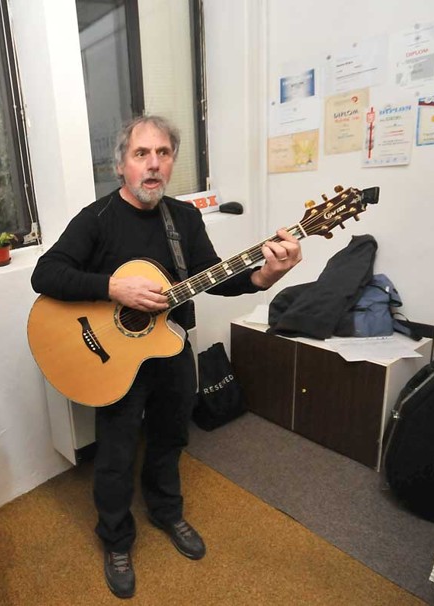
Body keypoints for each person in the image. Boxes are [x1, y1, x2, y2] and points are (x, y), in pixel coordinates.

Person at [30, 115, 302, 599]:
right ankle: (116, 539)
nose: (153, 164)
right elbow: (45, 274)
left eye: (163, 153)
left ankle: (166, 512)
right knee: (115, 453)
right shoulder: (96, 219)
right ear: (121, 166)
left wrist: (265, 276)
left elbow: (214, 275)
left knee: (171, 438)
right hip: (111, 360)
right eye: (141, 154)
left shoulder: (185, 219)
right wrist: (113, 287)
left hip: (171, 348)